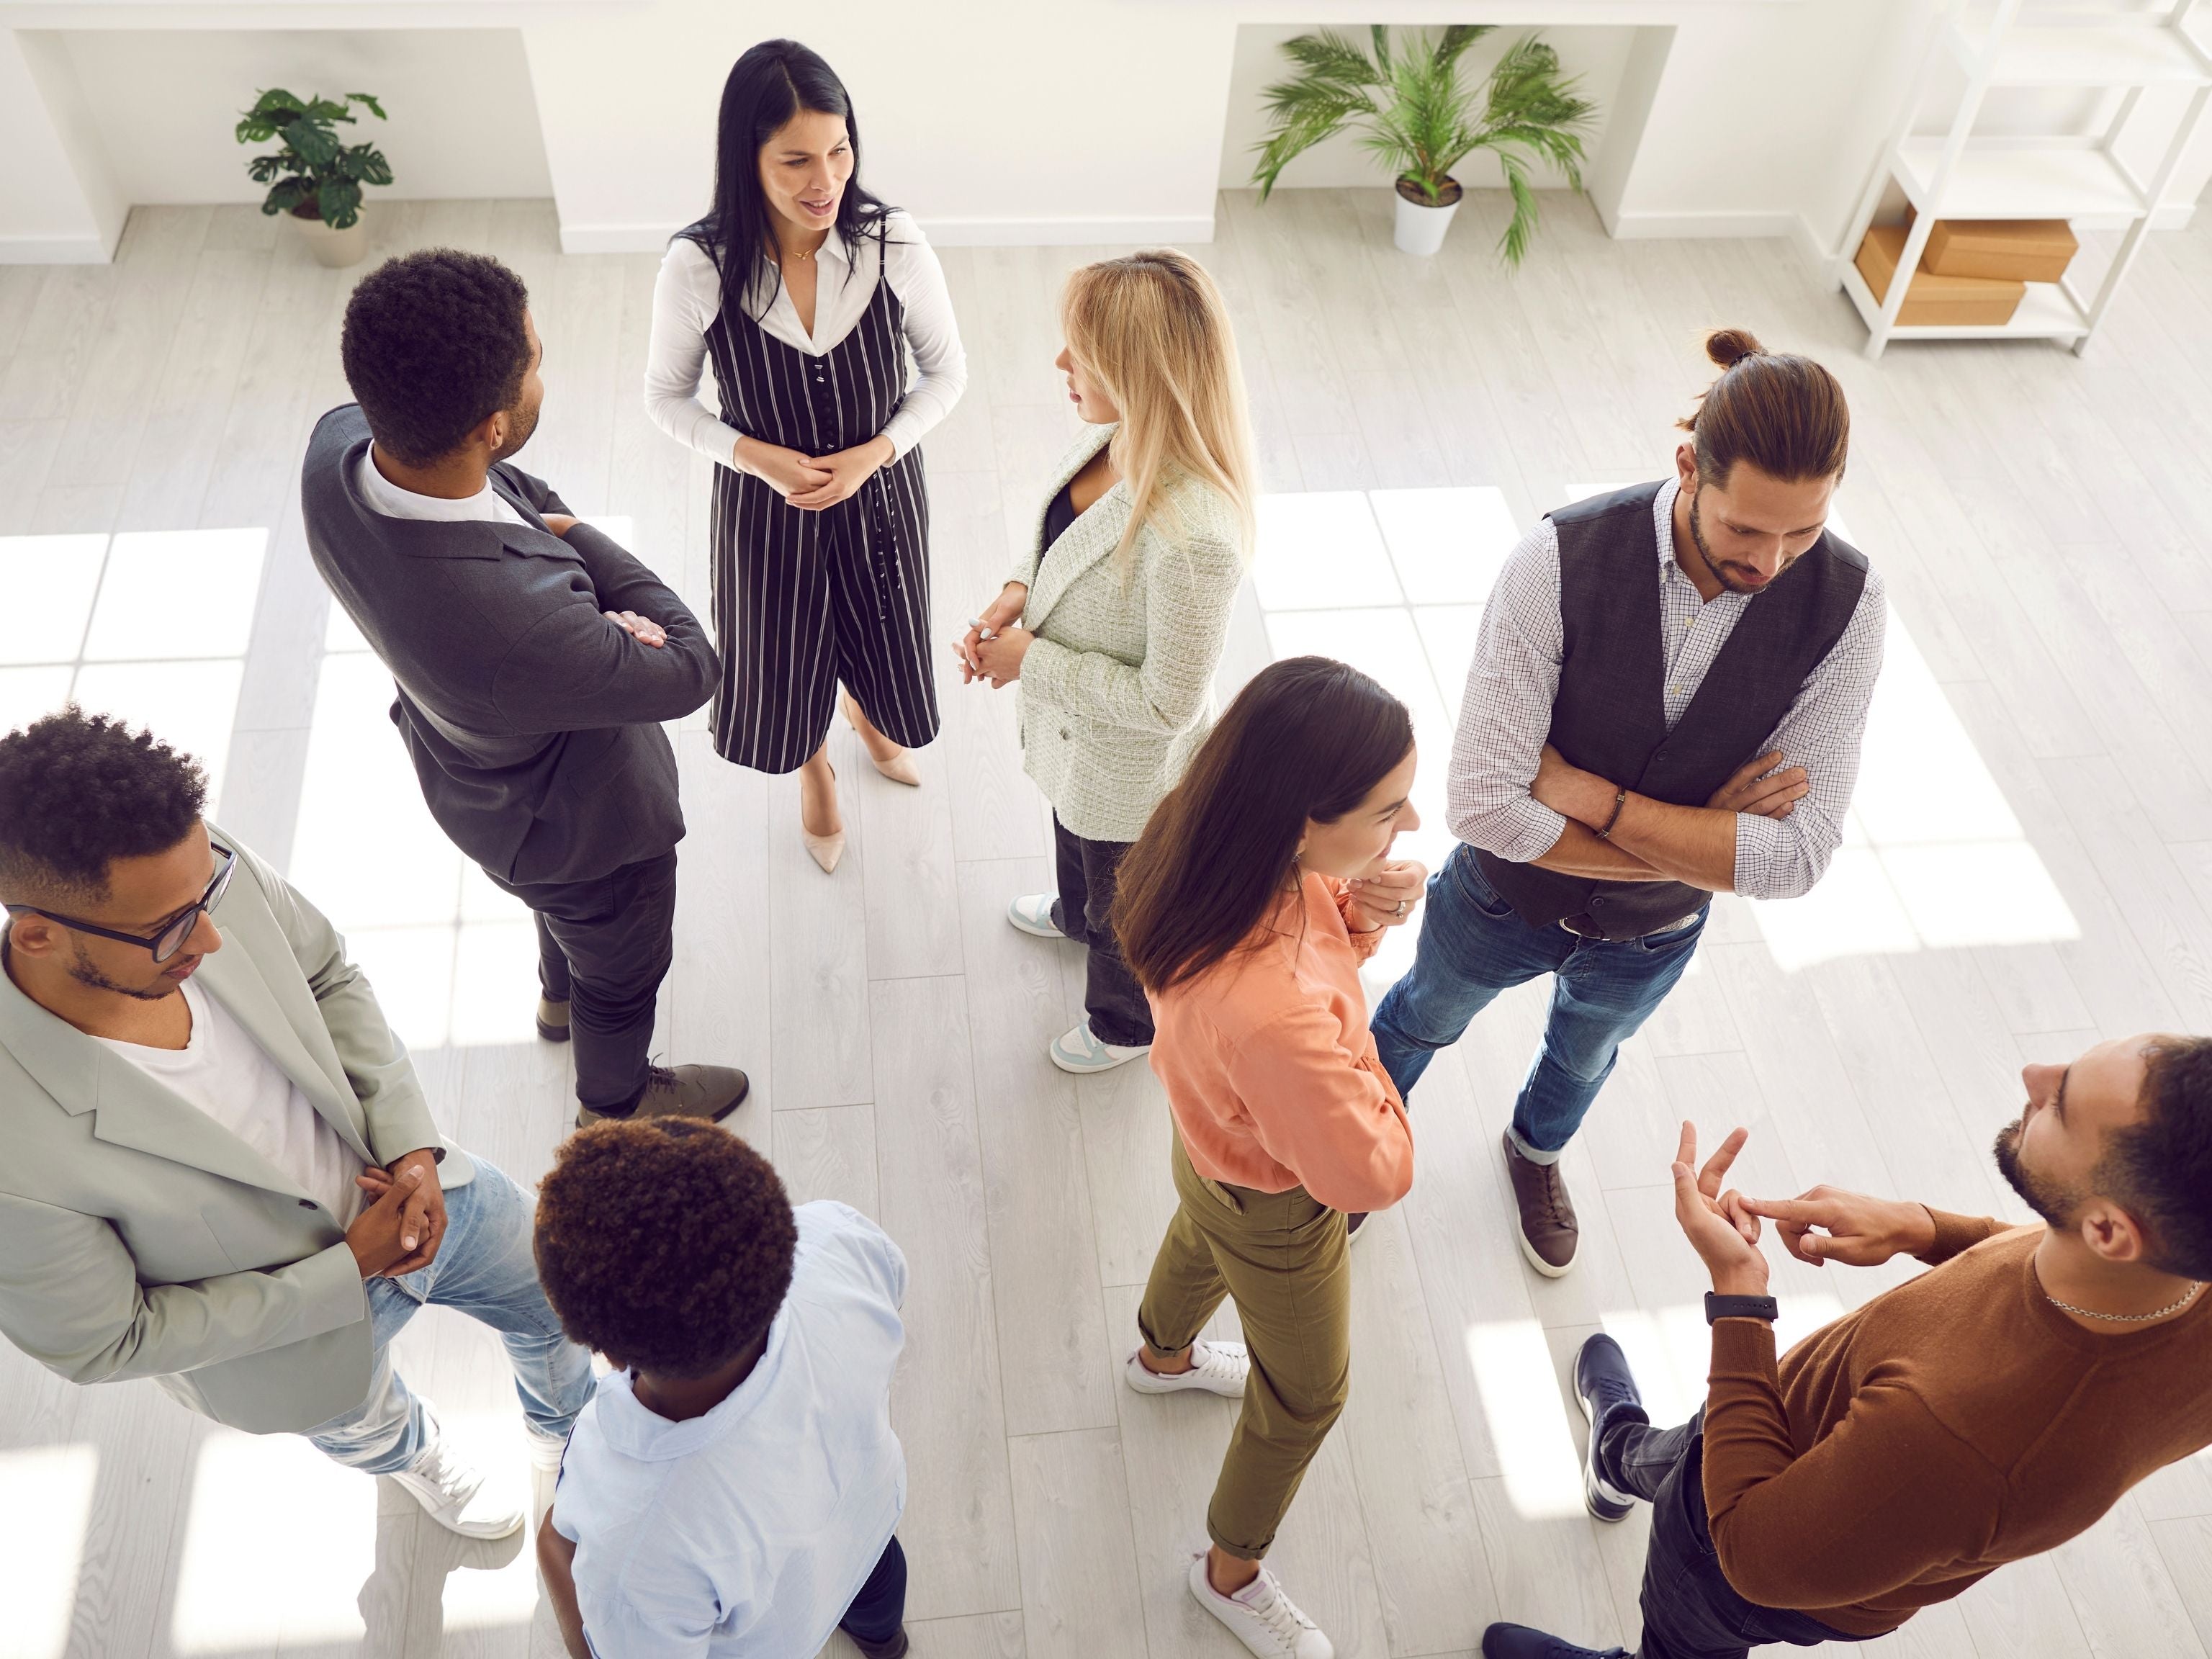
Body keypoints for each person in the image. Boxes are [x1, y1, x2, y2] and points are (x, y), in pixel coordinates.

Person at [0, 709, 593, 1539]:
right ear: (37, 935)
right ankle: (412, 1455)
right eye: (170, 929)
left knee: (557, 1299)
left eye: (207, 894)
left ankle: (573, 1438)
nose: (209, 933)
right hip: (290, 1337)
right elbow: (108, 1341)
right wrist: (350, 1267)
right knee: (366, 1426)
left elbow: (325, 971)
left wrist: (412, 1149)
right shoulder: (12, 1146)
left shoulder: (192, 874)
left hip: (425, 1185)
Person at [1370, 328, 1886, 1277]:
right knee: (1417, 1017)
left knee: (1581, 1061)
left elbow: (1798, 860)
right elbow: (1485, 807)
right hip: (1498, 898)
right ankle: (1352, 1158)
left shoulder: (1850, 606)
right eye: (1746, 529)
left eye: (1804, 532)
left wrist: (1593, 799)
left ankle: (1534, 1155)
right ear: (1689, 467)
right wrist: (1705, 837)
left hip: (1653, 935)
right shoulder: (1554, 562)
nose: (1773, 563)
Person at [1484, 1031, 2212, 1659]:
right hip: (1787, 1423)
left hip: (1759, 1536)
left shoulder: (1959, 1440)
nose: (2034, 1076)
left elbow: (1750, 1553)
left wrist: (1739, 1291)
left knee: (1686, 1607)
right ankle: (1617, 1460)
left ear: (2111, 1232)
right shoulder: (2168, 1267)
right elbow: (2053, 1262)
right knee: (1692, 1452)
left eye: (2062, 1103)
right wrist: (1924, 1230)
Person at [303, 248, 746, 1131]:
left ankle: (555, 1002)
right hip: (586, 830)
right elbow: (695, 664)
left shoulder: (338, 447)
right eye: (535, 362)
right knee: (620, 976)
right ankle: (614, 1106)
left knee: (561, 923)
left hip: (477, 786)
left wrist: (572, 582)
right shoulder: (525, 631)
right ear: (493, 425)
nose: (545, 370)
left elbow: (516, 493)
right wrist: (580, 537)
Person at [1111, 656, 1426, 1659]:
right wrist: (1371, 1068)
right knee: (1306, 1395)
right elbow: (1371, 1175)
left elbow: (1301, 963)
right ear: (1299, 820)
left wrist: (1356, 911)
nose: (1407, 829)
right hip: (1282, 1204)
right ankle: (1230, 1571)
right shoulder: (1276, 1015)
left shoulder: (1198, 841)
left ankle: (1159, 1356)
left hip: (1207, 1132)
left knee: (1200, 1228)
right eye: (1387, 810)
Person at [646, 39, 968, 873]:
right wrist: (756, 456)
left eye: (839, 150)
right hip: (764, 507)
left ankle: (867, 718)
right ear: (745, 157)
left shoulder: (890, 242)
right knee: (782, 655)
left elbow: (948, 374)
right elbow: (665, 400)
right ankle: (815, 767)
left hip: (882, 495)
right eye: (795, 160)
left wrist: (876, 453)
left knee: (881, 631)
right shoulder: (699, 265)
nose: (825, 180)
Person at [956, 249, 1256, 1074]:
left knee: (1124, 900)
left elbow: (1169, 705)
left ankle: (1125, 1027)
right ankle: (1070, 912)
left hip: (1129, 765)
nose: (1059, 365)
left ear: (1139, 368)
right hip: (1077, 744)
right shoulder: (1113, 439)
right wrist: (1020, 589)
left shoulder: (1195, 537)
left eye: (1079, 352)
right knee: (1072, 839)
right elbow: (1058, 533)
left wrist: (1031, 661)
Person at [533, 1118, 910, 1659]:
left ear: (608, 1352)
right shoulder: (834, 1240)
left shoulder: (637, 1544)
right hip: (868, 1523)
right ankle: (887, 1646)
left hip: (775, 1635)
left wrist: (552, 1550)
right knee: (878, 1602)